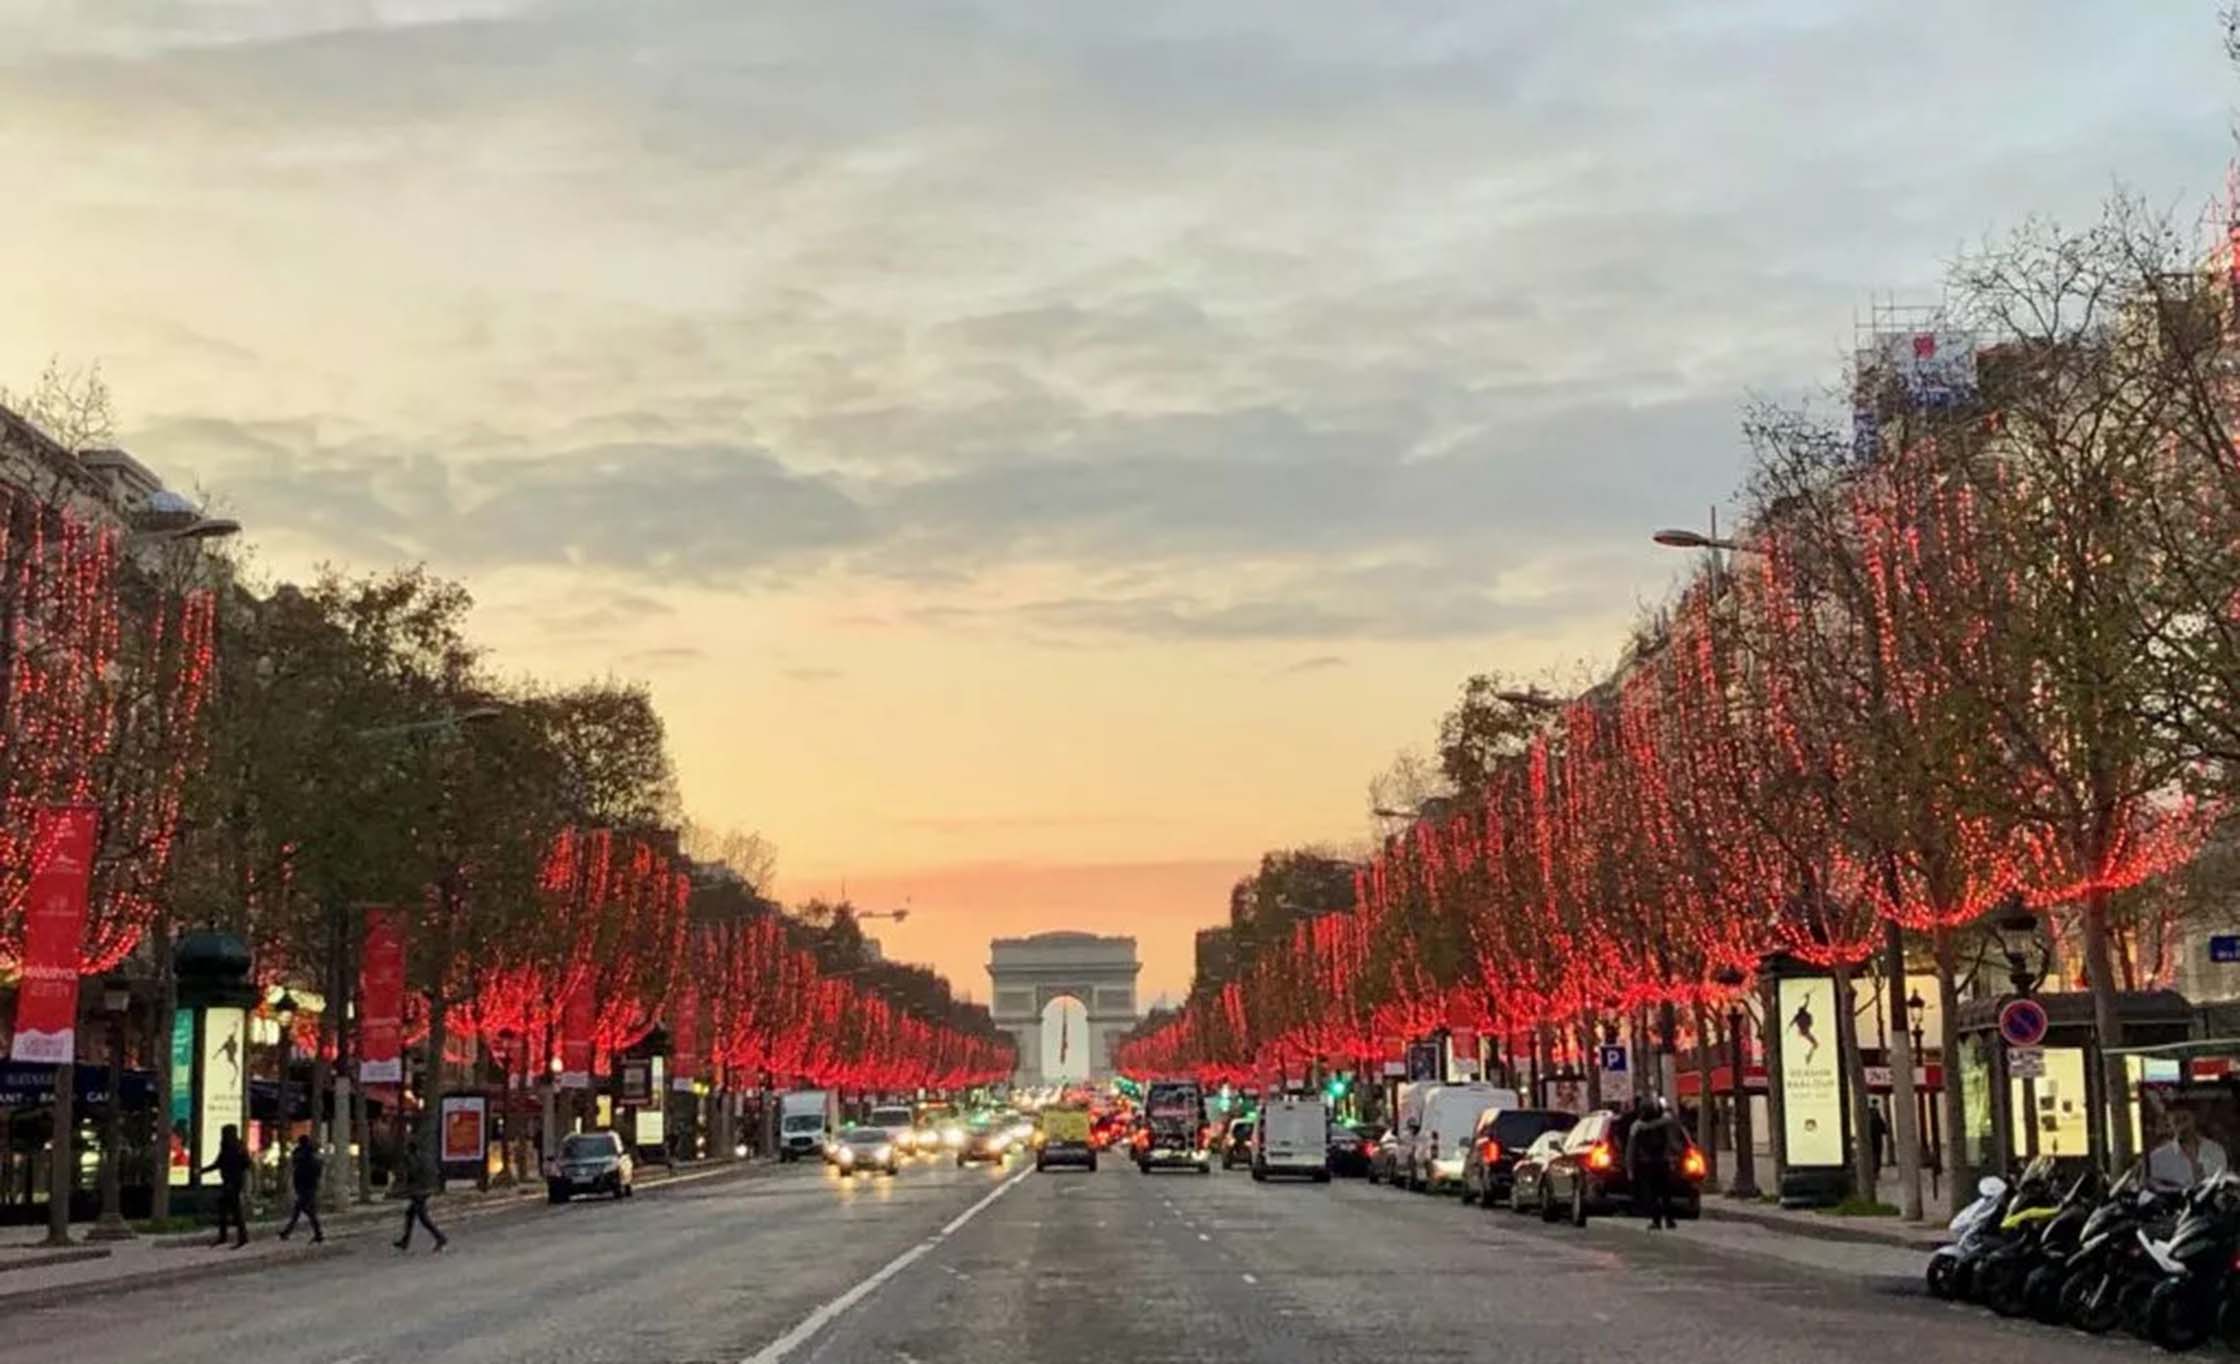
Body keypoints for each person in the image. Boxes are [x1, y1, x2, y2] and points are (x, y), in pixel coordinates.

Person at [1628, 1094, 1682, 1231]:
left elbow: (1631, 1149)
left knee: (1652, 1194)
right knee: (1665, 1193)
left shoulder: (1637, 1127)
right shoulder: (1665, 1123)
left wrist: (1630, 1168)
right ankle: (1669, 1220)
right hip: (1662, 1162)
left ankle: (1656, 1220)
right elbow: (1672, 1142)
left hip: (1646, 1163)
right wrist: (1677, 1155)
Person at [2150, 1107, 2229, 1189]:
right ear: (2169, 1122)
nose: (2182, 1127)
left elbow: (2222, 1185)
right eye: (2177, 1121)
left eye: (2185, 1119)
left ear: (2194, 1118)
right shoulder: (2158, 1158)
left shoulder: (2215, 1150)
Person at [394, 1138, 448, 1253]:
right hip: (425, 1189)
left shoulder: (412, 1158)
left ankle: (440, 1238)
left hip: (418, 1190)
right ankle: (405, 1240)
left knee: (423, 1218)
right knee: (410, 1213)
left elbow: (412, 1172)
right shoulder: (424, 1156)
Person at [201, 1124, 250, 1249]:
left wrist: (236, 1170)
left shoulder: (236, 1147)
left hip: (233, 1182)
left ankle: (240, 1237)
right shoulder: (228, 1146)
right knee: (225, 1208)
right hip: (229, 1181)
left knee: (234, 1210)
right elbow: (219, 1163)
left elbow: (246, 1163)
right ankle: (226, 1236)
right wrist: (203, 1171)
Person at [278, 1135, 325, 1244]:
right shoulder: (311, 1154)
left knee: (301, 1210)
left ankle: (288, 1232)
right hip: (308, 1185)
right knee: (304, 1210)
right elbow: (318, 1169)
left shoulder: (301, 1153)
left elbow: (296, 1166)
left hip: (304, 1185)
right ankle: (317, 1234)